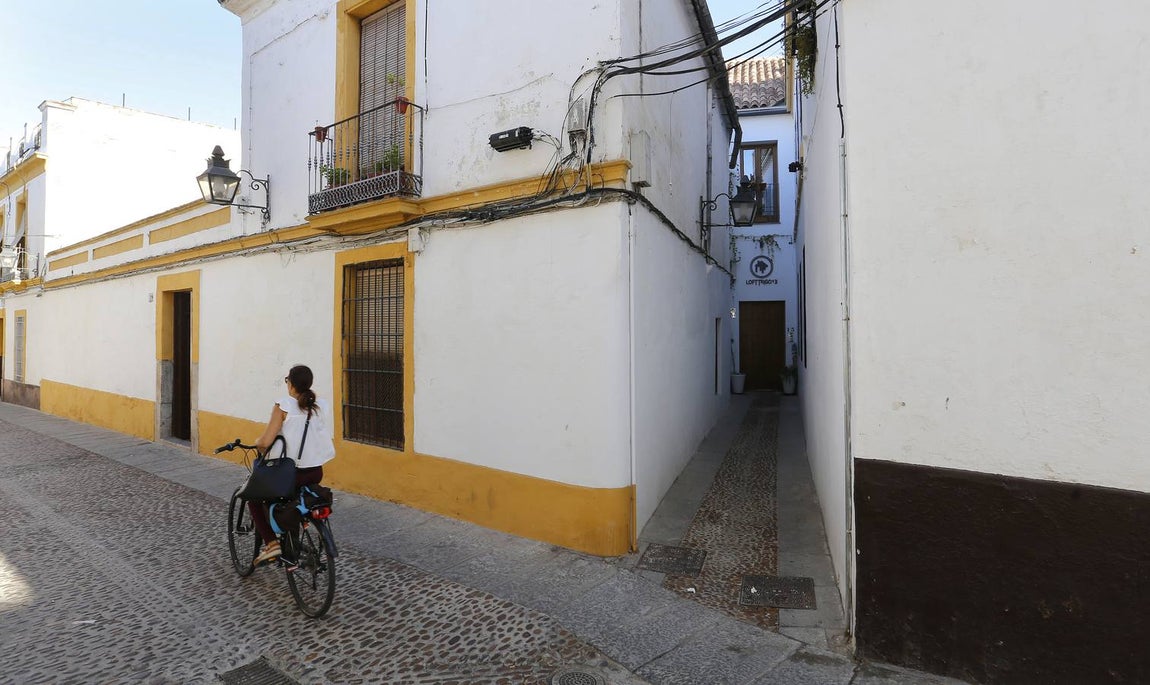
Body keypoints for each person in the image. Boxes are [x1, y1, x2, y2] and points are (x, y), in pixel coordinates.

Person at [249, 364, 336, 566]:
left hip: (290, 474)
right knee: (293, 502)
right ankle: (291, 542)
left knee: (254, 498)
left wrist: (257, 444)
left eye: (287, 381)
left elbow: (265, 441)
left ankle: (272, 544)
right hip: (315, 472)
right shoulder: (320, 405)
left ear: (291, 385)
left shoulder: (284, 405)